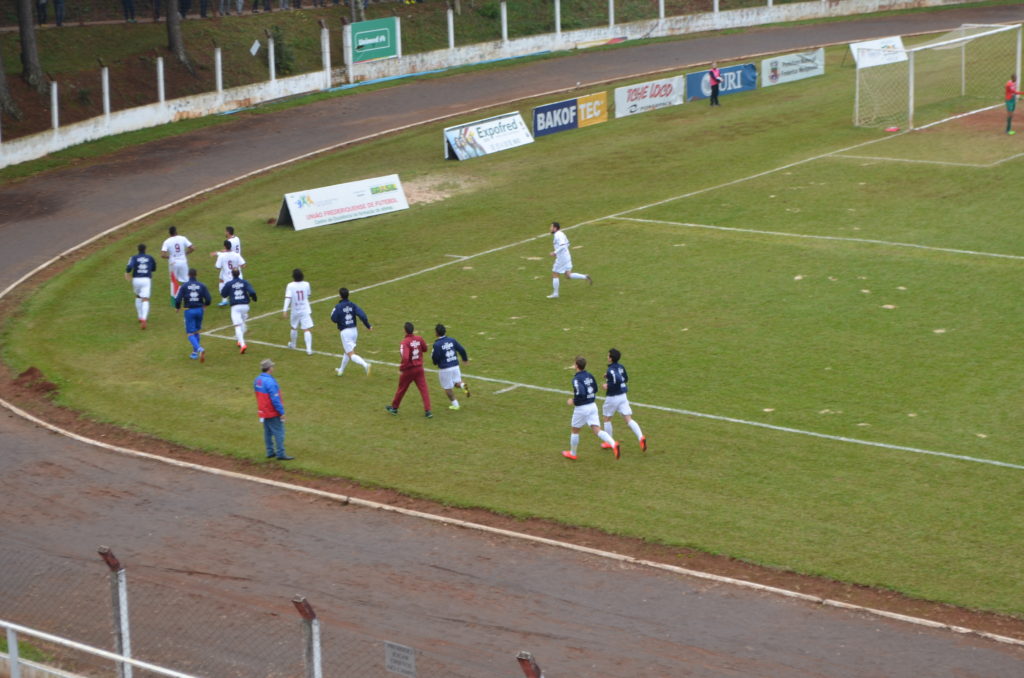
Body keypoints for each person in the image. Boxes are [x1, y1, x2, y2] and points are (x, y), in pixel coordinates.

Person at [561, 355, 619, 461]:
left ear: (576, 366)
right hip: (593, 406)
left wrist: (573, 401)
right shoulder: (590, 375)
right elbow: (595, 389)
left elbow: (581, 393)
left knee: (575, 430)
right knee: (597, 429)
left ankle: (573, 453)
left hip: (582, 408)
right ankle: (613, 443)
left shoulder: (576, 379)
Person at [600, 348, 647, 452]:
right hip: (623, 396)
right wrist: (608, 376)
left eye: (608, 355)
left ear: (611, 358)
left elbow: (616, 381)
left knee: (607, 419)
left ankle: (609, 442)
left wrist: (607, 385)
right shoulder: (621, 367)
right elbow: (625, 379)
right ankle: (641, 437)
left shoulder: (611, 369)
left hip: (613, 397)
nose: (607, 357)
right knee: (628, 419)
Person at [385, 322, 432, 418]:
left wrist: (402, 368)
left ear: (405, 330)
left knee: (401, 389)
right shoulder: (419, 339)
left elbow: (405, 358)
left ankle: (394, 408)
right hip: (419, 369)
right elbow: (425, 349)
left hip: (409, 370)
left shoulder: (405, 342)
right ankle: (428, 411)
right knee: (424, 390)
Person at [254, 359, 293, 460]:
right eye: (272, 366)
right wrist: (281, 412)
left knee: (267, 432)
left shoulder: (257, 380)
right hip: (272, 411)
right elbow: (275, 399)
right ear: (269, 368)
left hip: (263, 411)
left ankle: (270, 451)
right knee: (279, 432)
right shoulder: (270, 382)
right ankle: (281, 453)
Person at [330, 287, 372, 376]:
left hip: (345, 332)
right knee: (347, 351)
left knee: (350, 354)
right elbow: (362, 315)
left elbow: (333, 318)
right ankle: (341, 370)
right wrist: (368, 326)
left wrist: (340, 319)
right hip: (354, 331)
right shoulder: (352, 305)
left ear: (340, 296)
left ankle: (366, 365)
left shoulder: (338, 307)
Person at [173, 268, 211, 361]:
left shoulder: (184, 286)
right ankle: (194, 353)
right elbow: (209, 298)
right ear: (196, 275)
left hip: (189, 311)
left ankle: (199, 349)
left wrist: (177, 307)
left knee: (190, 333)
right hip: (199, 310)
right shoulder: (202, 285)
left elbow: (178, 299)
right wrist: (205, 305)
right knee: (196, 331)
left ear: (188, 275)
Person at [547, 221, 592, 299]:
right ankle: (585, 276)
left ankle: (555, 294)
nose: (550, 228)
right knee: (568, 275)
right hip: (567, 256)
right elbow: (568, 244)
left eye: (551, 227)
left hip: (562, 258)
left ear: (555, 228)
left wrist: (555, 252)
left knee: (555, 273)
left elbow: (563, 246)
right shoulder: (561, 234)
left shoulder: (558, 235)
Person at [431, 324, 470, 411]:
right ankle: (462, 385)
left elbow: (435, 357)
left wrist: (435, 362)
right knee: (456, 383)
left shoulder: (437, 344)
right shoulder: (452, 340)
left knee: (448, 388)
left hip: (445, 369)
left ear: (436, 333)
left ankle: (455, 405)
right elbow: (462, 349)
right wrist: (465, 359)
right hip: (455, 366)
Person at [220, 269, 257, 354]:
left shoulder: (229, 284)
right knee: (242, 323)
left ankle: (242, 344)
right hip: (245, 306)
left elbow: (223, 294)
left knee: (237, 326)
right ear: (239, 274)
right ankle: (240, 341)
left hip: (235, 307)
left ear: (232, 275)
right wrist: (254, 298)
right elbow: (252, 291)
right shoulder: (244, 282)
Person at [124, 243, 157, 330]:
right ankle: (144, 318)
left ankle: (139, 316)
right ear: (145, 249)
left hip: (136, 280)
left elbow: (129, 266)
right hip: (146, 279)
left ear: (138, 250)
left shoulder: (134, 257)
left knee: (138, 296)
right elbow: (154, 268)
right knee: (145, 299)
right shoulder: (150, 257)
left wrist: (127, 273)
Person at [282, 268, 314, 355]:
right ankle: (309, 349)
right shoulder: (306, 284)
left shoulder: (290, 285)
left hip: (295, 310)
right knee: (306, 329)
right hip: (305, 309)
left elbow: (288, 298)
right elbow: (308, 295)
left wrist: (284, 310)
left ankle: (293, 344)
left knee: (294, 327)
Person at [160, 225, 194, 304]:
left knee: (173, 280)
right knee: (186, 279)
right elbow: (192, 248)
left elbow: (162, 255)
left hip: (173, 262)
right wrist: (185, 253)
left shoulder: (167, 241)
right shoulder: (183, 238)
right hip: (183, 261)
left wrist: (169, 257)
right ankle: (188, 297)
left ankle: (175, 300)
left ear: (169, 233)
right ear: (176, 231)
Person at [212, 239, 246, 306]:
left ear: (224, 247)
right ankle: (239, 301)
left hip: (227, 277)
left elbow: (217, 267)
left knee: (223, 285)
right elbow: (243, 265)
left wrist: (224, 265)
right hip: (237, 275)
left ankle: (225, 300)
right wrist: (236, 266)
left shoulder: (222, 256)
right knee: (238, 289)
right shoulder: (236, 255)